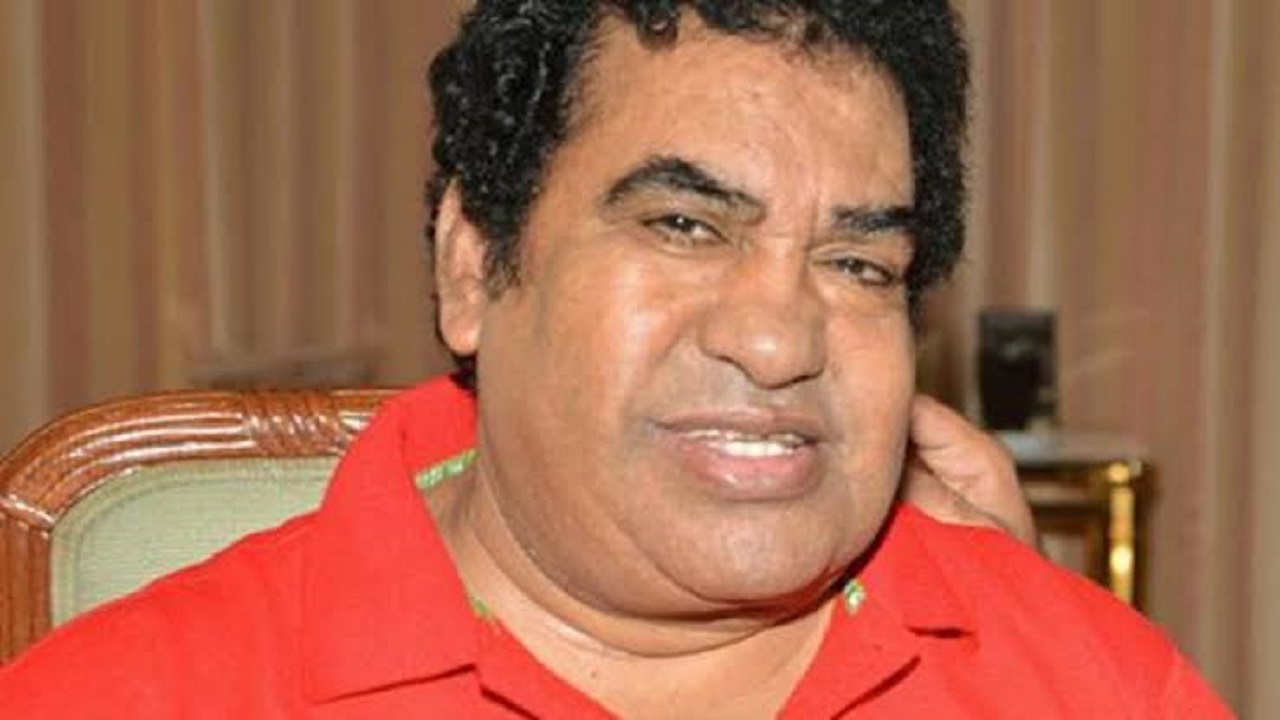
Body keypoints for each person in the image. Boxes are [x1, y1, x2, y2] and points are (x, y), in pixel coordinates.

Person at [0, 1, 1228, 717]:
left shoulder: (1083, 680)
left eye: (857, 263)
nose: (777, 338)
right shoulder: (146, 694)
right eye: (683, 226)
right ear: (474, 266)